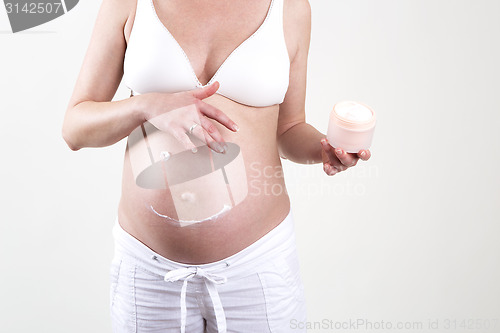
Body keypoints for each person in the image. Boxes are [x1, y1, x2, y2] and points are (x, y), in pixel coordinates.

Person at [62, 0, 371, 331]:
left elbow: (289, 129)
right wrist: (147, 105)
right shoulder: (128, 3)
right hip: (150, 273)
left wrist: (322, 149)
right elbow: (75, 126)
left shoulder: (290, 9)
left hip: (257, 266)